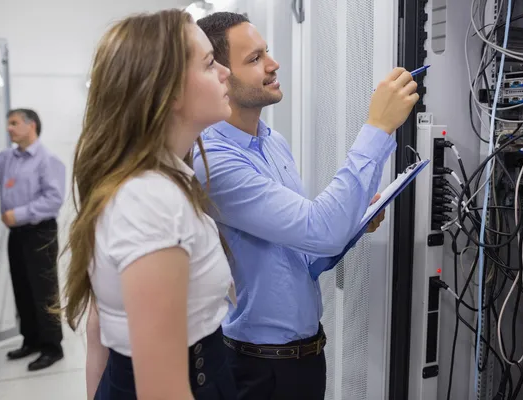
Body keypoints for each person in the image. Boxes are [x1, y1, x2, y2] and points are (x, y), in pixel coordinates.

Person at [194, 12, 420, 399]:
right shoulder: (213, 161)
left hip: (306, 358)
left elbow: (309, 252)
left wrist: (354, 222)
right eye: (254, 59)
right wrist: (377, 127)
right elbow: (319, 229)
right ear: (219, 76)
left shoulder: (272, 142)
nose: (272, 63)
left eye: (267, 52)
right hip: (258, 370)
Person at [61, 9, 237, 400]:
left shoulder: (163, 181)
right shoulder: (149, 200)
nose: (226, 72)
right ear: (168, 91)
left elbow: (100, 329)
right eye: (209, 64)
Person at [0, 108, 66, 371]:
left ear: (31, 126)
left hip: (40, 231)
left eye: (14, 123)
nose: (9, 128)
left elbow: (53, 200)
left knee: (43, 290)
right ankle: (31, 339)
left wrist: (18, 214)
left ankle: (52, 346)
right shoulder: (7, 158)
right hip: (17, 234)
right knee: (22, 288)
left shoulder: (47, 160)